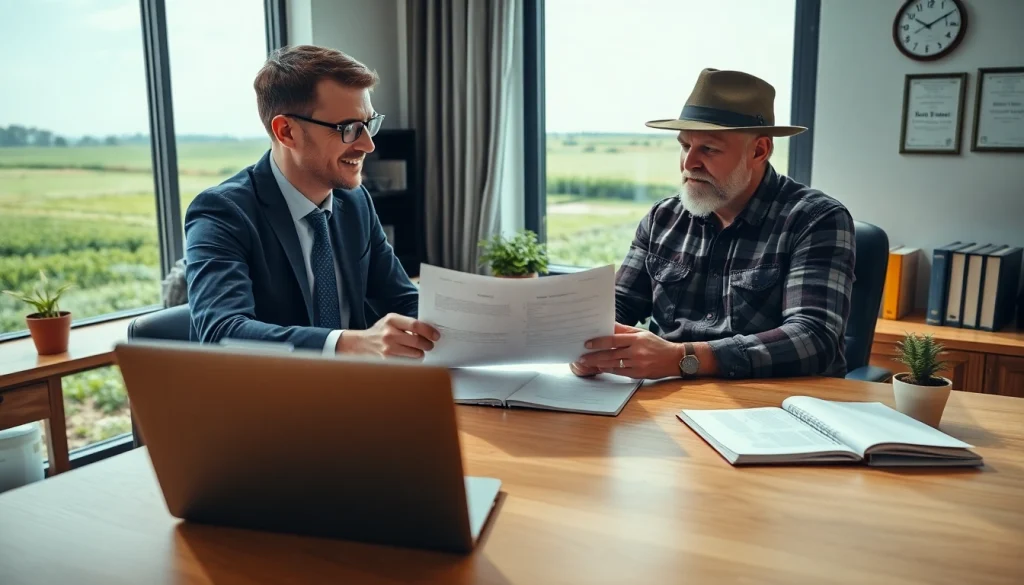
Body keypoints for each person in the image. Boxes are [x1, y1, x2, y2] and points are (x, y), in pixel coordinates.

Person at [572, 68, 856, 381]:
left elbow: (813, 337)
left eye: (708, 149)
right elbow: (620, 303)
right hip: (668, 395)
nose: (689, 163)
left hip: (772, 401)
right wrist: (583, 343)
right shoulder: (662, 218)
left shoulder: (816, 219)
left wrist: (683, 358)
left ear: (759, 151)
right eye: (685, 146)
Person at [184, 45, 438, 358]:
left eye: (369, 124)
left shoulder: (355, 202)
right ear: (287, 132)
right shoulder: (222, 212)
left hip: (361, 385)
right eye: (349, 128)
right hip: (274, 389)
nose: (368, 145)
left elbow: (402, 299)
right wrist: (348, 344)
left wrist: (468, 324)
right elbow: (221, 332)